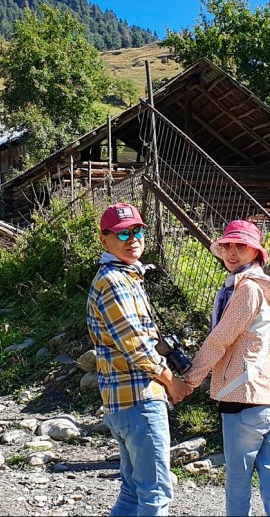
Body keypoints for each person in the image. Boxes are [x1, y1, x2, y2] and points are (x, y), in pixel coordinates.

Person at [86, 202, 192, 516]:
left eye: (137, 230)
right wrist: (172, 382)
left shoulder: (124, 276)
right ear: (105, 240)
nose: (132, 239)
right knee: (156, 495)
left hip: (122, 402)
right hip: (140, 400)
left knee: (133, 495)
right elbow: (136, 347)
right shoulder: (116, 283)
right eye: (121, 234)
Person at [183, 220, 270, 516]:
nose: (232, 252)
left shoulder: (246, 291)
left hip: (243, 399)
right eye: (228, 245)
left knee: (238, 485)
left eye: (241, 246)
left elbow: (220, 340)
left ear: (255, 252)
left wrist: (189, 381)